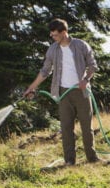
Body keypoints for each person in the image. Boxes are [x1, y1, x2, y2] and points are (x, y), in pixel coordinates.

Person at [23, 18, 99, 165]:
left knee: (86, 126)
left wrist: (86, 80)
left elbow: (92, 65)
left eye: (55, 35)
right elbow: (45, 71)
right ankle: (69, 161)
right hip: (62, 92)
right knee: (66, 128)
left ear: (64, 32)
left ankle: (92, 158)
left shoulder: (81, 45)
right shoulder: (53, 49)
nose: (52, 37)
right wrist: (31, 87)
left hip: (81, 92)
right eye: (51, 35)